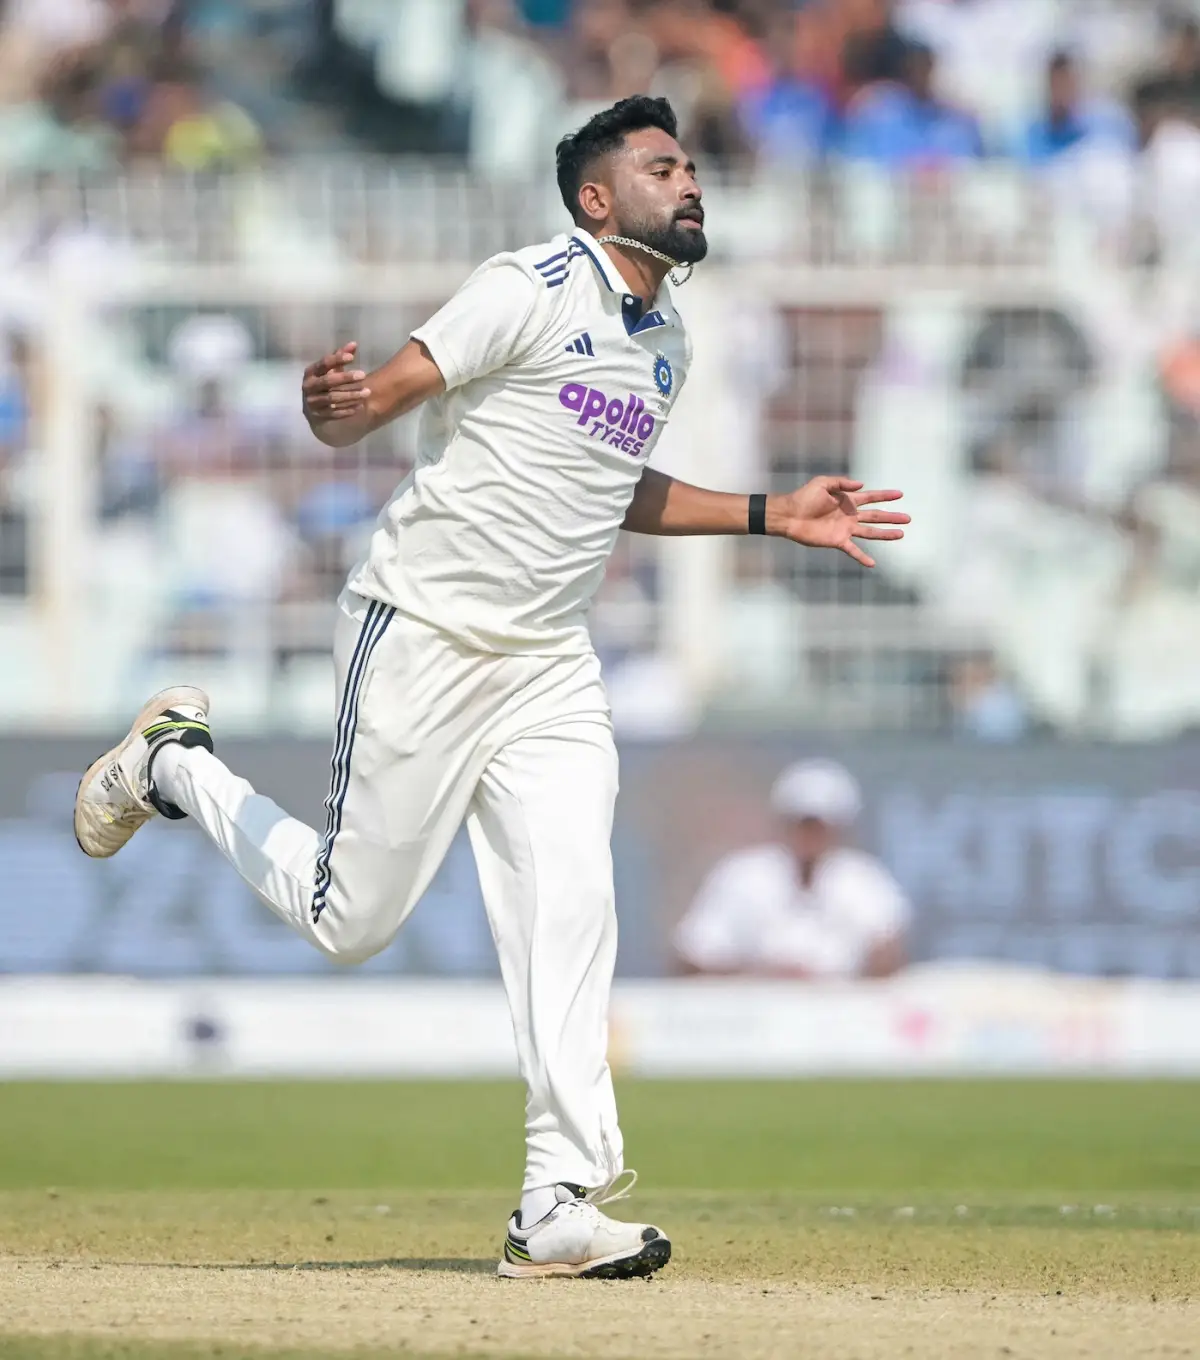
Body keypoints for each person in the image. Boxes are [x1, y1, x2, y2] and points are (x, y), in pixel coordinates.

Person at [73, 96, 908, 1280]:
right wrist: (334, 411)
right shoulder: (529, 285)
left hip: (548, 662)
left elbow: (612, 483)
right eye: (662, 167)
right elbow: (376, 401)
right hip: (424, 631)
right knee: (350, 920)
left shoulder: (668, 339)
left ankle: (557, 1200)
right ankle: (172, 765)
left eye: (691, 167)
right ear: (597, 199)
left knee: (572, 902)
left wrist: (772, 513)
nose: (690, 182)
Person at [674, 759, 910, 979]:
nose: (810, 837)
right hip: (754, 1005)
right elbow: (691, 958)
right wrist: (763, 974)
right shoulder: (742, 876)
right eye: (802, 825)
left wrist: (832, 980)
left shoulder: (863, 880)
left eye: (820, 827)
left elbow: (889, 952)